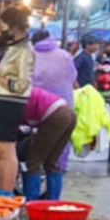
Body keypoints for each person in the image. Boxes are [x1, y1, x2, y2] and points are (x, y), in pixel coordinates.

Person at [0, 7, 34, 196]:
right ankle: (0, 190)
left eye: (3, 25)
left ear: (13, 26)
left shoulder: (25, 50)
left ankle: (6, 193)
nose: (1, 29)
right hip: (2, 101)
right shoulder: (14, 47)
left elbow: (20, 84)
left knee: (6, 148)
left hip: (12, 103)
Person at [31, 29, 77, 174]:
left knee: (33, 159)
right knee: (57, 154)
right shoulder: (65, 56)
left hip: (38, 107)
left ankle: (32, 193)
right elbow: (73, 76)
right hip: (65, 108)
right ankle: (54, 191)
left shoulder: (30, 56)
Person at [21, 87, 77, 201]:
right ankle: (53, 201)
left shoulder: (11, 93)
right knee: (52, 160)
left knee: (33, 161)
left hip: (56, 116)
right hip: (69, 114)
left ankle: (31, 202)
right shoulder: (23, 88)